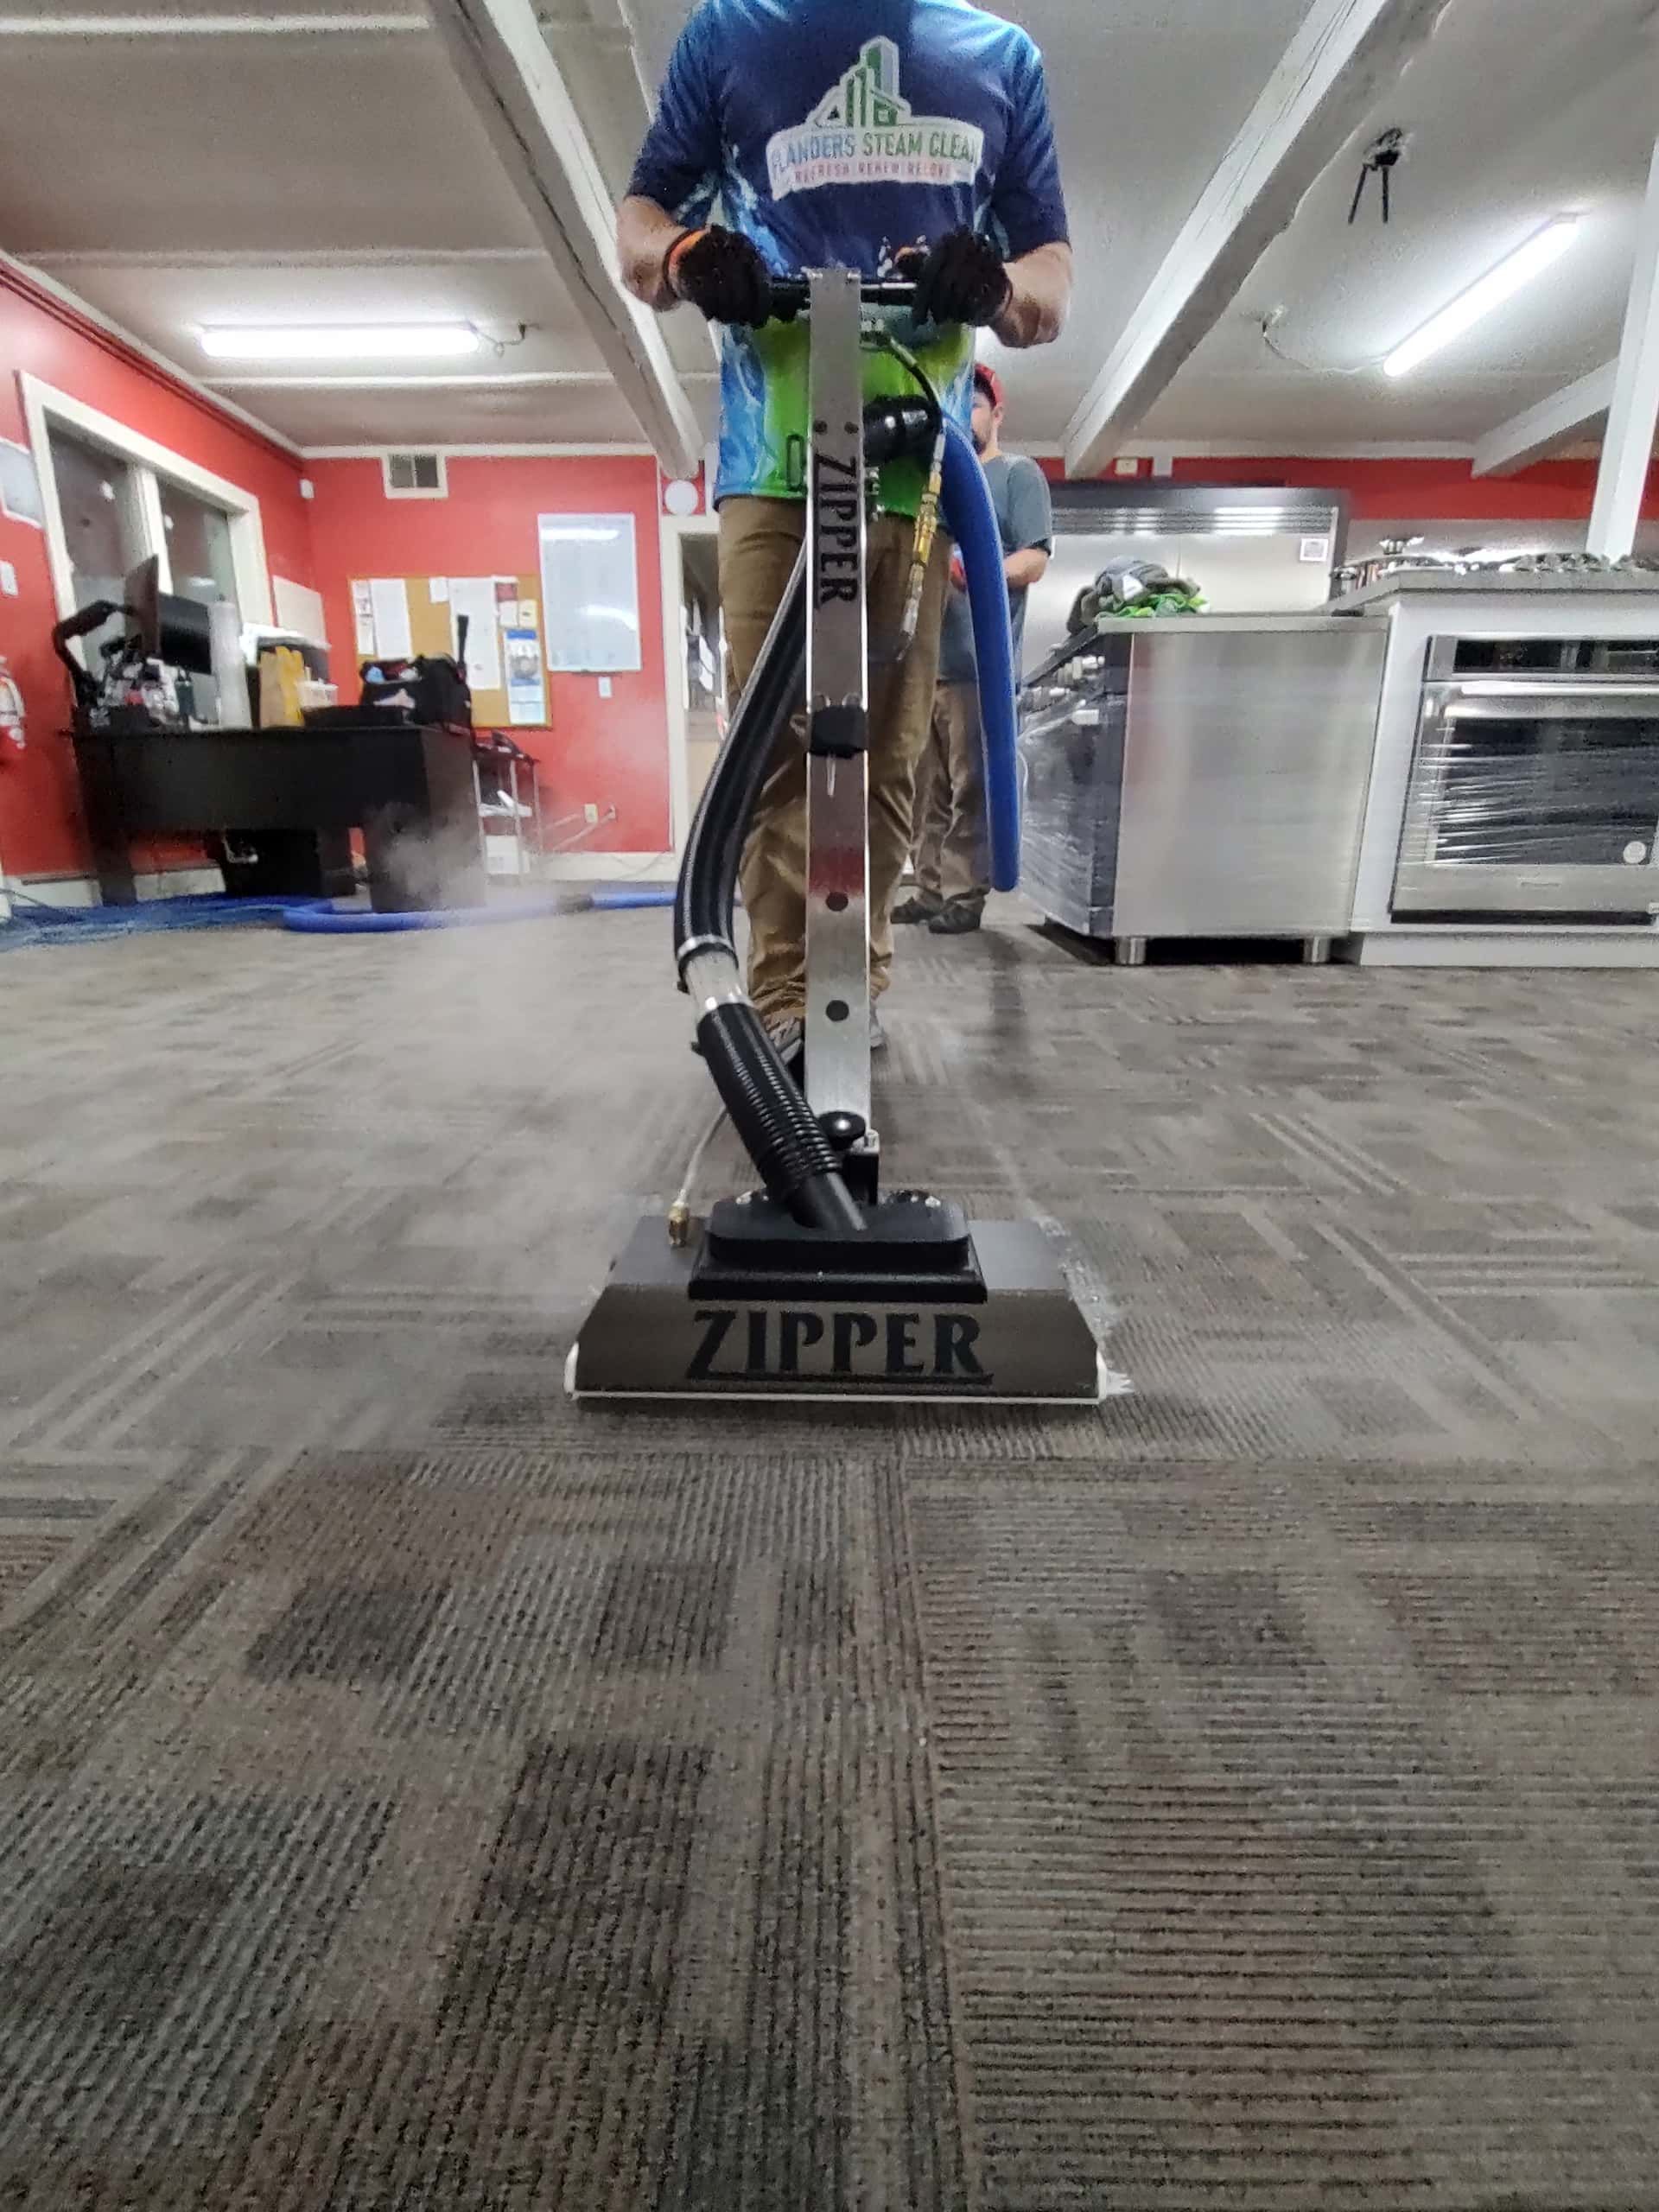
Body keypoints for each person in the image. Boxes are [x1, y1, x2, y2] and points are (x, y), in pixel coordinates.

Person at [618, 0, 1071, 1058]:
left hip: (917, 474)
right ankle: (783, 1004)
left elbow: (1051, 283)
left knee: (888, 752)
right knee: (772, 747)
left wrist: (996, 283)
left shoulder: (1001, 57)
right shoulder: (729, 32)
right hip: (768, 460)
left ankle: (851, 995)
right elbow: (637, 232)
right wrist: (689, 255)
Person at [896, 363, 1052, 935]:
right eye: (958, 407)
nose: (967, 416)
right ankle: (930, 887)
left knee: (969, 787)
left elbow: (1034, 558)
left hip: (975, 668)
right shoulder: (932, 485)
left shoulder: (1016, 476)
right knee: (922, 790)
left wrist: (978, 569)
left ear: (997, 412)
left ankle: (963, 896)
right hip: (924, 664)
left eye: (976, 406)